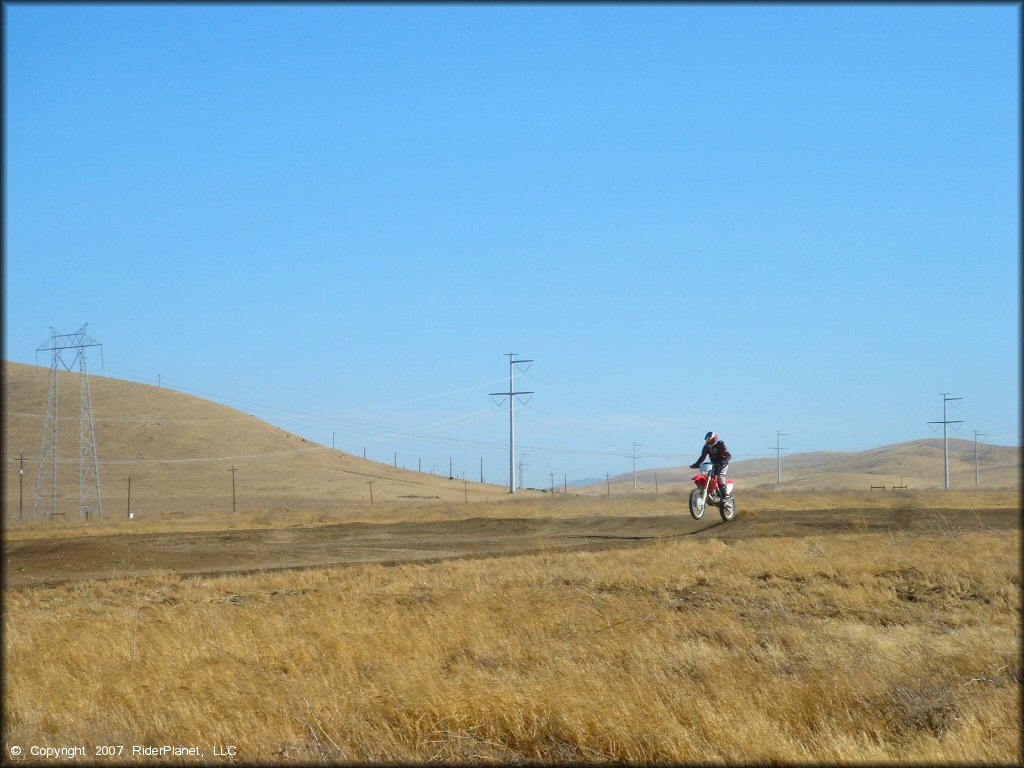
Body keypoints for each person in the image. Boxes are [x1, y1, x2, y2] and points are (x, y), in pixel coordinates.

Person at [690, 431, 732, 497]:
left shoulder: (720, 444)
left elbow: (728, 455)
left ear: (714, 439)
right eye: (707, 440)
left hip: (722, 464)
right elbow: (702, 457)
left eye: (709, 439)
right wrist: (697, 464)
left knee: (720, 476)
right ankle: (712, 492)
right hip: (714, 465)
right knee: (710, 477)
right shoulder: (706, 447)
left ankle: (725, 495)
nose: (708, 441)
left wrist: (725, 460)